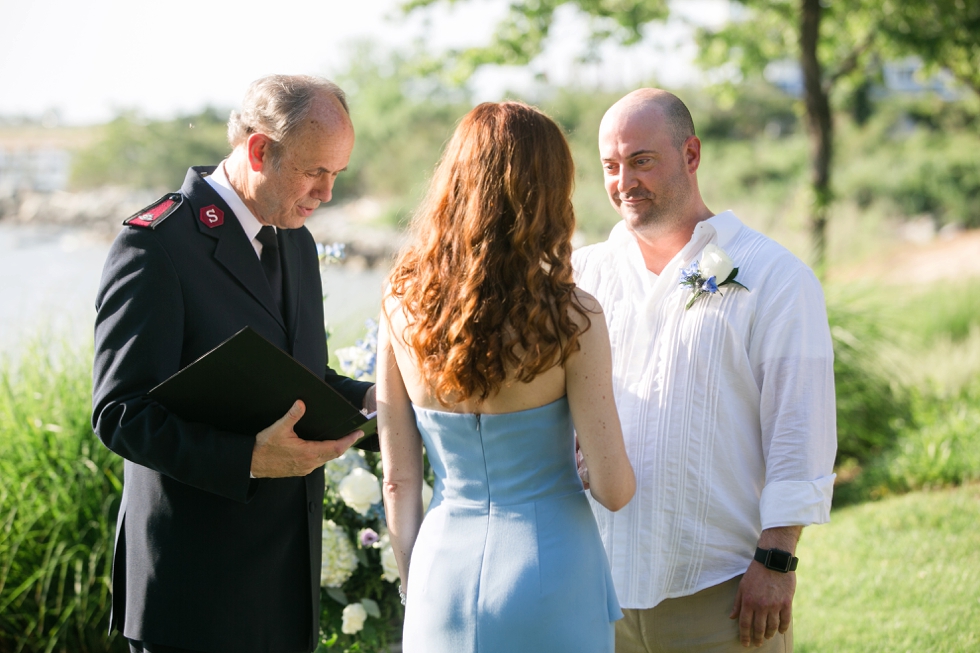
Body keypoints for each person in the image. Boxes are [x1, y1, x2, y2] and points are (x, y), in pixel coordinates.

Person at [92, 75, 376, 653]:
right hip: (194, 596)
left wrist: (378, 406)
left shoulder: (294, 237)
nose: (325, 193)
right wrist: (248, 459)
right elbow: (120, 413)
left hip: (284, 588)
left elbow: (300, 380)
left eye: (336, 175)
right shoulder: (157, 244)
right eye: (313, 171)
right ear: (258, 149)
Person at [572, 88, 837, 652]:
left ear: (691, 155)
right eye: (611, 166)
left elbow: (799, 427)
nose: (625, 182)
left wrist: (777, 560)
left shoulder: (773, 277)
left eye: (642, 161)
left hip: (721, 593)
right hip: (596, 591)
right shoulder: (581, 273)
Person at [377, 101, 636, 653]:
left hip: (439, 574)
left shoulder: (400, 307)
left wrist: (414, 581)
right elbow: (615, 490)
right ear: (548, 193)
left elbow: (399, 481)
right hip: (554, 572)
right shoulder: (572, 317)